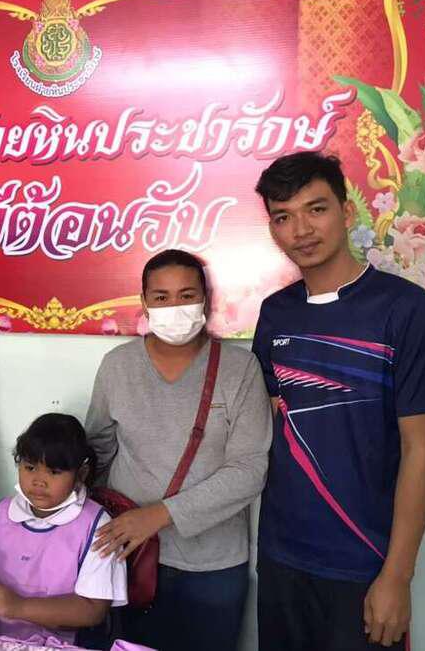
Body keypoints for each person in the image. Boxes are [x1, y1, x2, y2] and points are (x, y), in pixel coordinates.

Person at [252, 152, 425, 650]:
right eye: (283, 217)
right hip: (282, 557)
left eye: (316, 209)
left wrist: (398, 575)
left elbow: (422, 450)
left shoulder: (405, 309)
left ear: (347, 212)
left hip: (365, 562)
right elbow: (271, 419)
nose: (301, 230)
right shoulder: (275, 313)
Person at [84, 249, 272, 651]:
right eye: (162, 297)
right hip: (129, 559)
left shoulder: (240, 369)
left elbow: (250, 469)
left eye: (187, 296)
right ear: (144, 303)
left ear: (205, 299)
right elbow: (96, 452)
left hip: (213, 567)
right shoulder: (117, 366)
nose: (175, 307)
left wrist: (157, 516)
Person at [0, 413, 127, 646]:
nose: (39, 481)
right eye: (30, 467)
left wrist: (19, 607)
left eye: (54, 472)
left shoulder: (98, 526)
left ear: (80, 474)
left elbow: (93, 609)